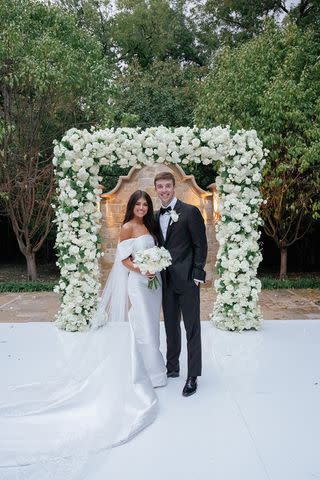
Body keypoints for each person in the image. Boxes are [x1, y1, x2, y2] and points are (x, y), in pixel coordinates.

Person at [0, 190, 166, 476]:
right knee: (142, 326)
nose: (141, 207)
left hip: (155, 283)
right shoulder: (127, 227)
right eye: (138, 204)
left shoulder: (149, 227)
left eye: (145, 204)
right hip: (138, 284)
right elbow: (123, 260)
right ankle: (145, 373)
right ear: (132, 206)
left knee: (153, 324)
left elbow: (154, 252)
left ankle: (155, 369)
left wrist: (155, 267)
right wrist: (141, 269)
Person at [154, 171, 208, 397]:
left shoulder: (190, 212)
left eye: (168, 186)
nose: (164, 190)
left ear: (174, 187)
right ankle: (172, 367)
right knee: (170, 327)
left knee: (192, 327)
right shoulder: (156, 216)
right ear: (156, 190)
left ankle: (193, 375)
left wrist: (197, 274)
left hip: (187, 280)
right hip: (165, 281)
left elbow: (201, 245)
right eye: (160, 187)